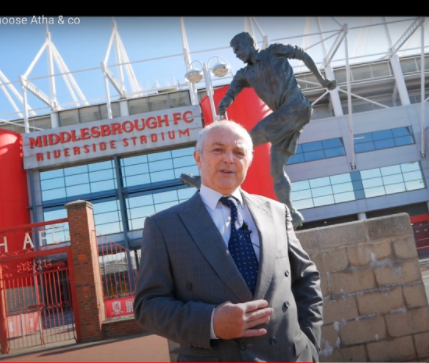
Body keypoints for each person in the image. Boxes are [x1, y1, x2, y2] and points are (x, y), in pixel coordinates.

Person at [134, 120, 323, 362]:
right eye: (218, 150)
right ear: (198, 158)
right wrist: (210, 322)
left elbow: (306, 279)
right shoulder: (163, 226)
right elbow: (148, 306)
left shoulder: (277, 212)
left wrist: (310, 344)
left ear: (249, 161)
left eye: (239, 152)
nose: (229, 159)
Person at [181, 32, 337, 229]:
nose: (236, 54)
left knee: (246, 141)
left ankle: (208, 180)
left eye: (238, 49)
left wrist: (322, 80)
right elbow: (232, 91)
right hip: (287, 117)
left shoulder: (274, 51)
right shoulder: (245, 74)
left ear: (249, 44)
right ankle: (292, 213)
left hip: (296, 106)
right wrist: (224, 102)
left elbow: (302, 55)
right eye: (234, 51)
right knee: (276, 169)